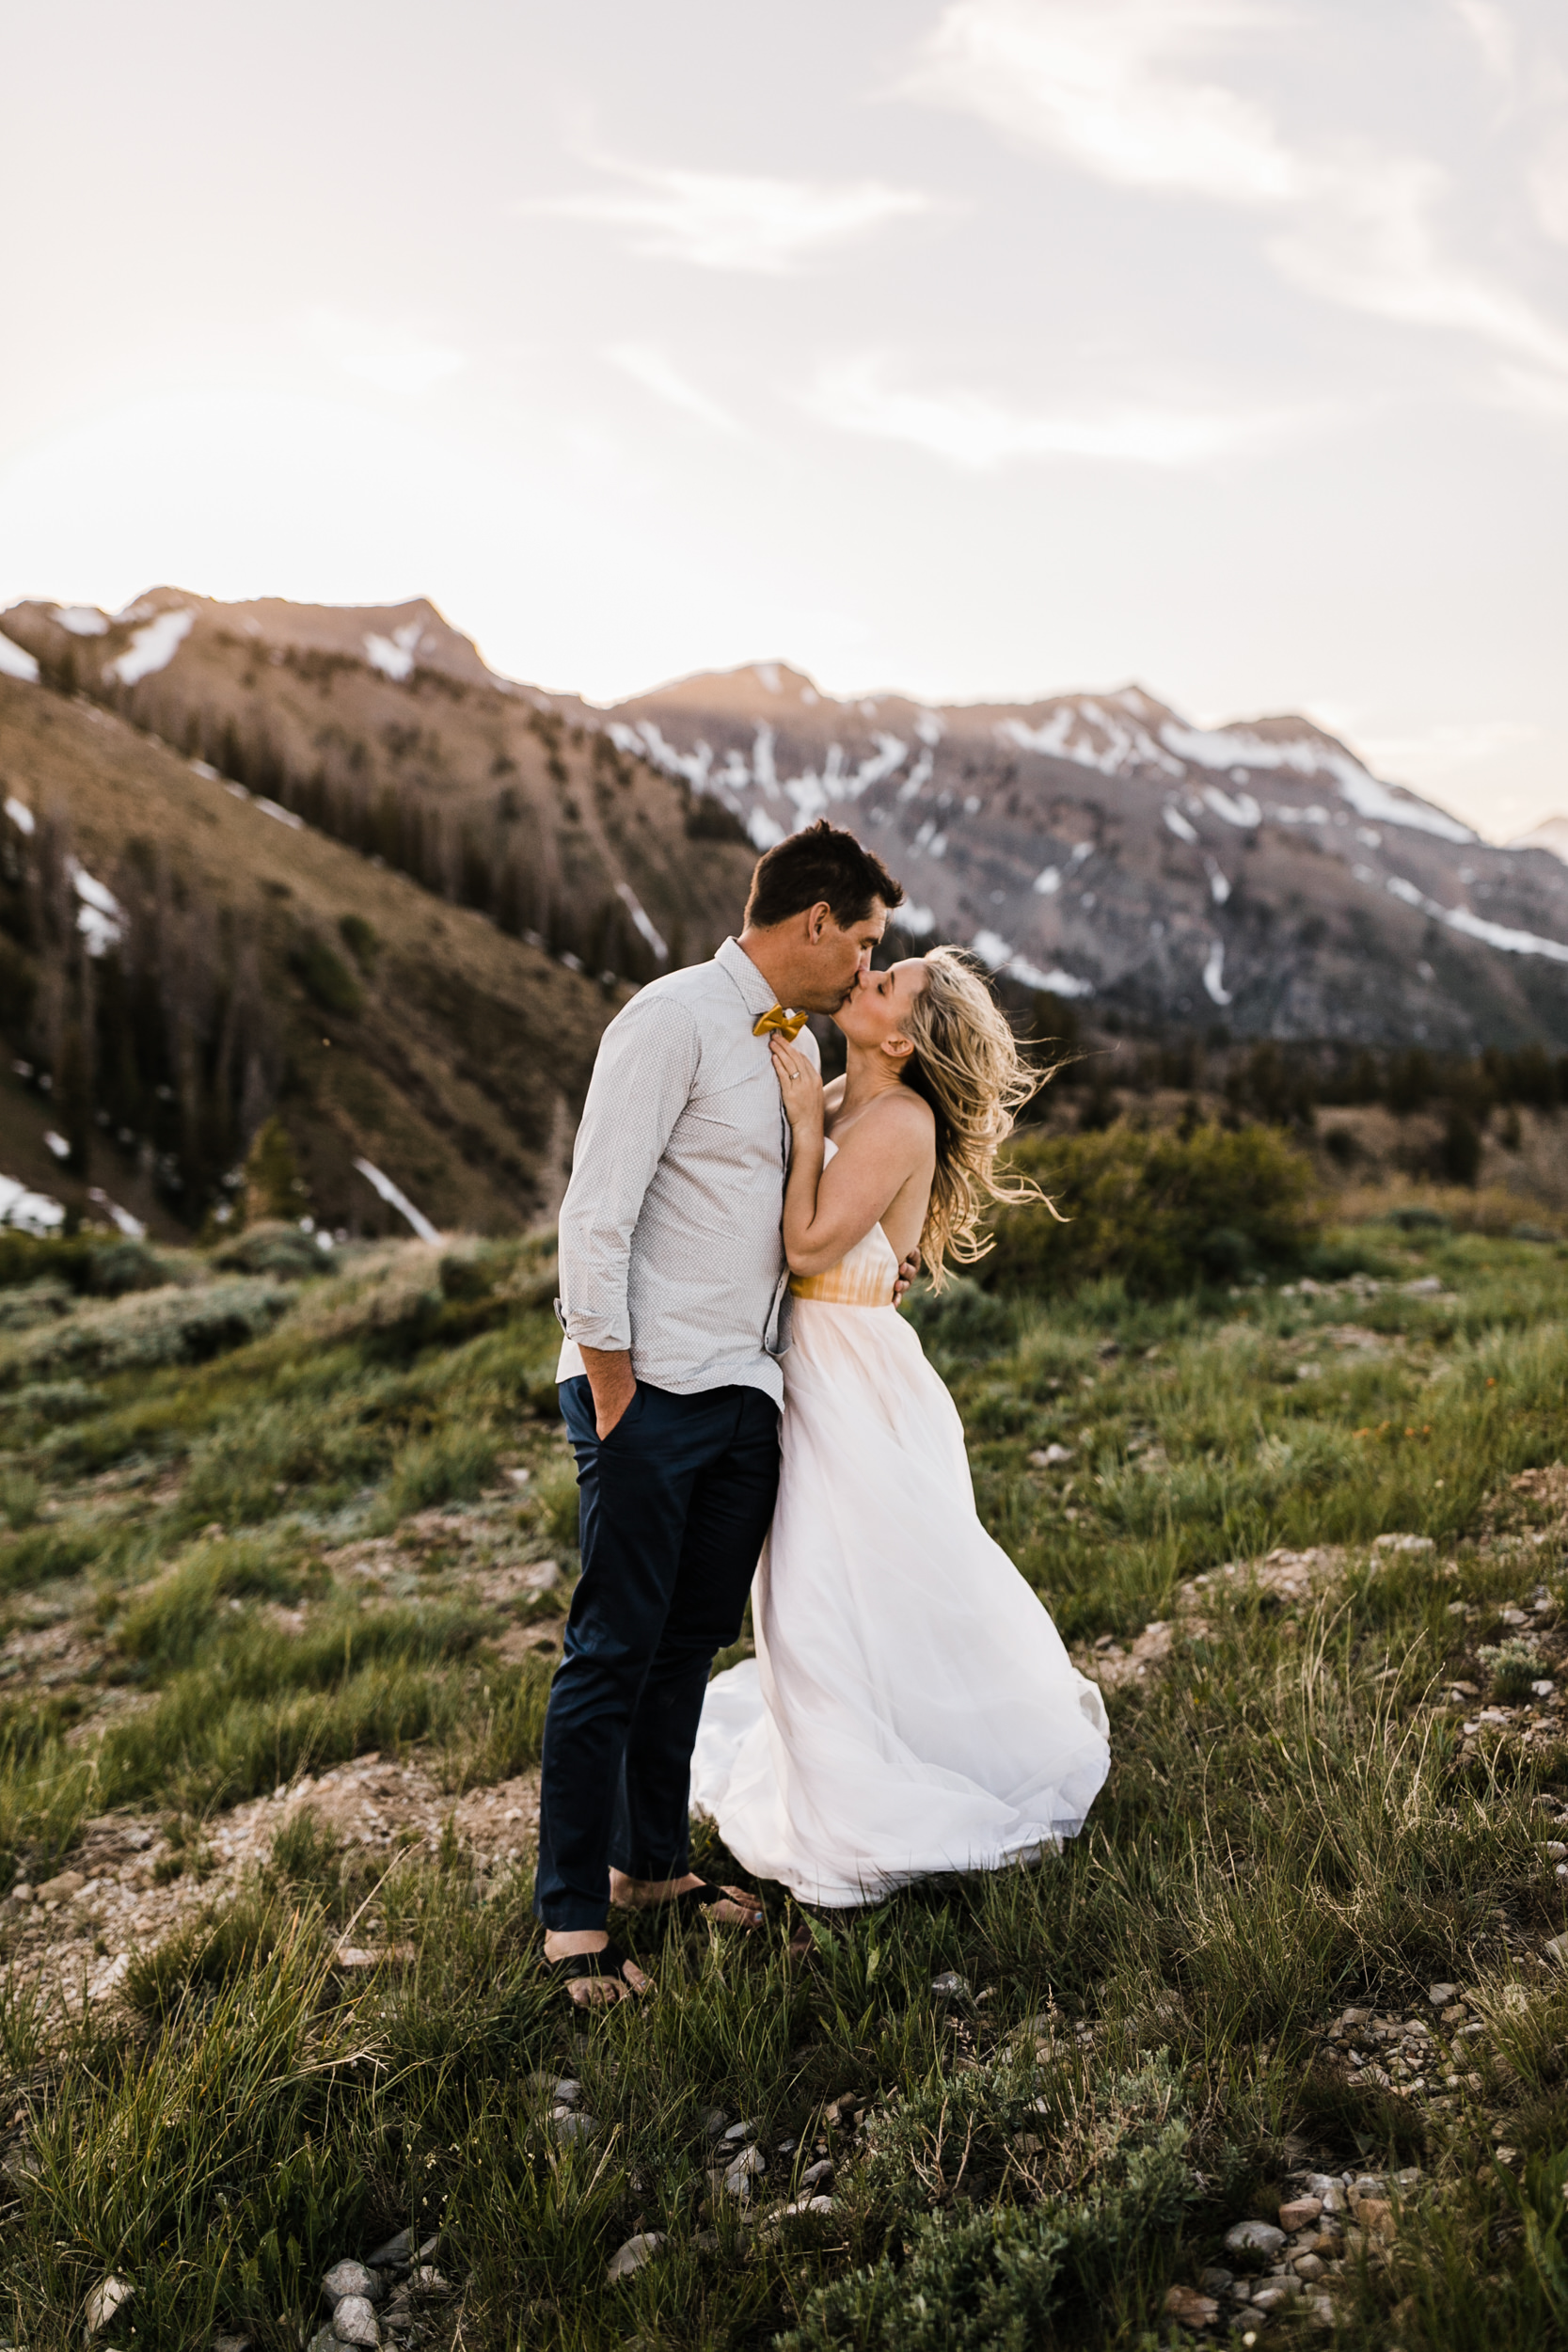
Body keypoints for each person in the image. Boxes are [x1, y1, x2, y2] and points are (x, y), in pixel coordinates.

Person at [538, 820, 913, 2003]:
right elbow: (593, 1212)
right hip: (649, 1387)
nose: (864, 967)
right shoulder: (671, 1017)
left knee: (686, 1648)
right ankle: (570, 1920)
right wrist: (612, 1387)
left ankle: (651, 1867)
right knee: (610, 1648)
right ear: (814, 923)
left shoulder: (795, 1041)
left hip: (747, 1394)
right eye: (861, 942)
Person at [689, 946, 1111, 1906]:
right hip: (802, 1364)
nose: (864, 979)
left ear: (905, 1034)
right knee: (807, 1593)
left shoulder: (897, 1116)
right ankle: (842, 1764)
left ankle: (855, 1816)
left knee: (828, 1586)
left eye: (886, 985)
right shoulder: (838, 1091)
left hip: (849, 1380)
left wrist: (801, 1126)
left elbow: (803, 1244)